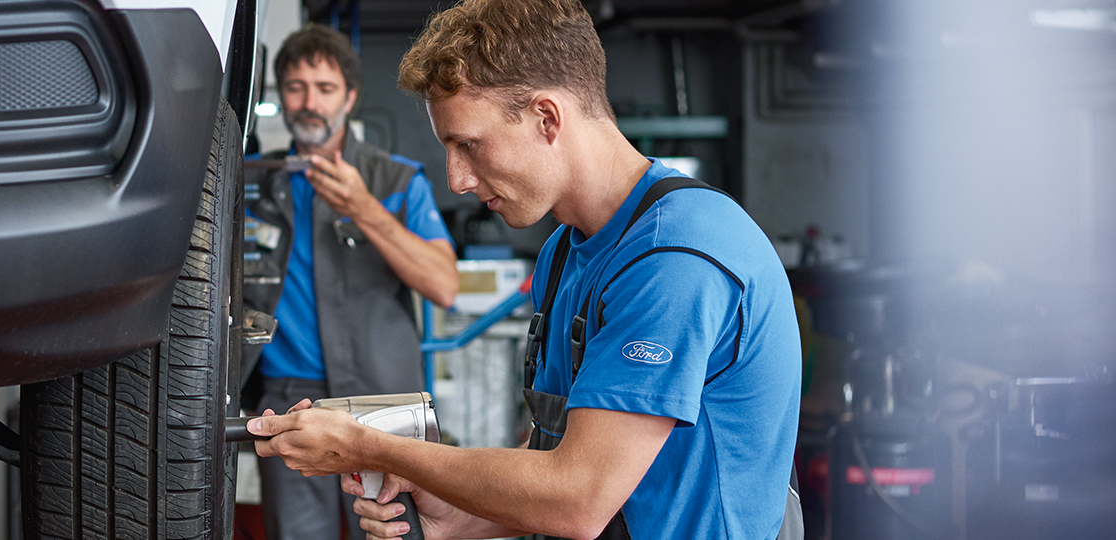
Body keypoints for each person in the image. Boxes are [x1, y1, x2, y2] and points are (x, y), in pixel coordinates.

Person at [248, 1, 803, 539]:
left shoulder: (673, 259)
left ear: (546, 117)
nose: (456, 179)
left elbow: (578, 499)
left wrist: (371, 447)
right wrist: (455, 515)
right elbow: (555, 466)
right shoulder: (565, 253)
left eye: (469, 145)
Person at [238, 24, 461, 540]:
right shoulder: (249, 182)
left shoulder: (397, 181)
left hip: (384, 401)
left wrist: (364, 208)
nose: (308, 102)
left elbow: (444, 286)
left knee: (395, 533)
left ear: (350, 97)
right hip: (289, 400)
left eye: (325, 88)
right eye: (296, 87)